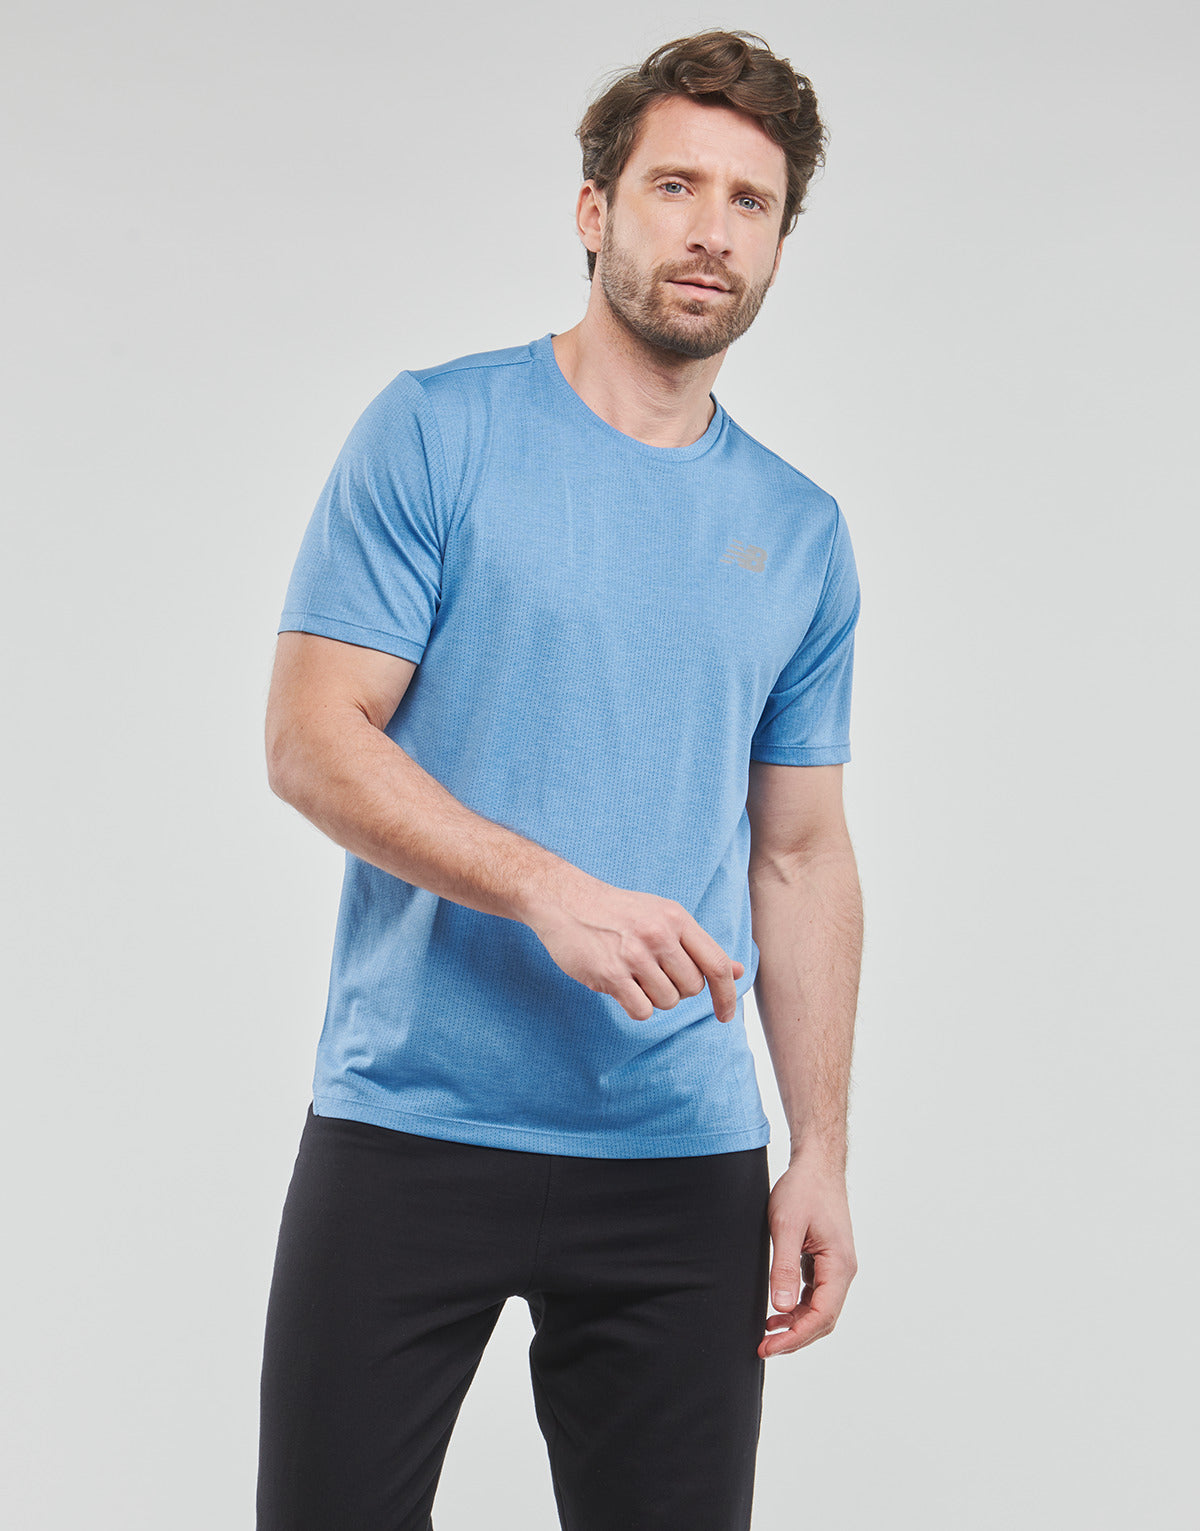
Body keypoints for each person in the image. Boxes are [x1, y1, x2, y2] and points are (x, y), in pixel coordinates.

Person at [257, 26, 863, 1531]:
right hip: (411, 1120)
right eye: (676, 185)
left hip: (679, 1154)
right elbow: (312, 736)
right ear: (595, 210)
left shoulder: (801, 533)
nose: (712, 229)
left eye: (751, 202)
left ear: (778, 245)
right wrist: (544, 890)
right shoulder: (437, 432)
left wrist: (822, 1155)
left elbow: (800, 854)